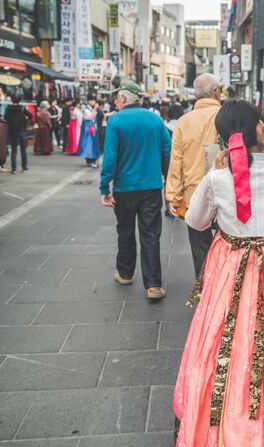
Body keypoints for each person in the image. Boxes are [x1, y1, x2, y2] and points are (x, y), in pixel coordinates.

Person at [173, 100, 264, 447]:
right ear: (263, 129)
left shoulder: (218, 179)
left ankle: (217, 427)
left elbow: (195, 221)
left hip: (229, 270)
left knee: (224, 342)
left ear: (223, 141)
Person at [100, 80, 171, 300]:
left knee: (126, 231)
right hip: (151, 186)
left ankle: (124, 272)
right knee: (150, 234)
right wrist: (167, 177)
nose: (114, 102)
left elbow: (110, 158)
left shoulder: (116, 121)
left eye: (115, 98)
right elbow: (167, 150)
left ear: (123, 99)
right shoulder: (155, 120)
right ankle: (154, 285)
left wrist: (105, 186)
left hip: (124, 187)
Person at [166, 73, 221, 277]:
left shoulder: (183, 121)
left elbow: (176, 161)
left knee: (199, 245)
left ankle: (204, 288)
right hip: (224, 193)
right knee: (227, 242)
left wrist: (173, 196)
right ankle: (222, 290)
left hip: (193, 194)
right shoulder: (225, 115)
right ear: (216, 92)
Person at [4, 95, 33, 174]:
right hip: (22, 130)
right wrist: (25, 118)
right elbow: (31, 116)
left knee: (14, 150)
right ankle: (24, 166)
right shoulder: (22, 108)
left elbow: (5, 118)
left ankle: (14, 168)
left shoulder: (8, 108)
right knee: (23, 149)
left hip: (12, 131)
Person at [78, 99, 100, 167]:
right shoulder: (86, 110)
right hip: (88, 130)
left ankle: (92, 159)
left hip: (92, 129)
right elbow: (91, 117)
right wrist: (95, 109)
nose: (94, 102)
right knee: (89, 145)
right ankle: (90, 160)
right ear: (89, 101)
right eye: (92, 101)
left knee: (92, 144)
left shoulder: (90, 109)